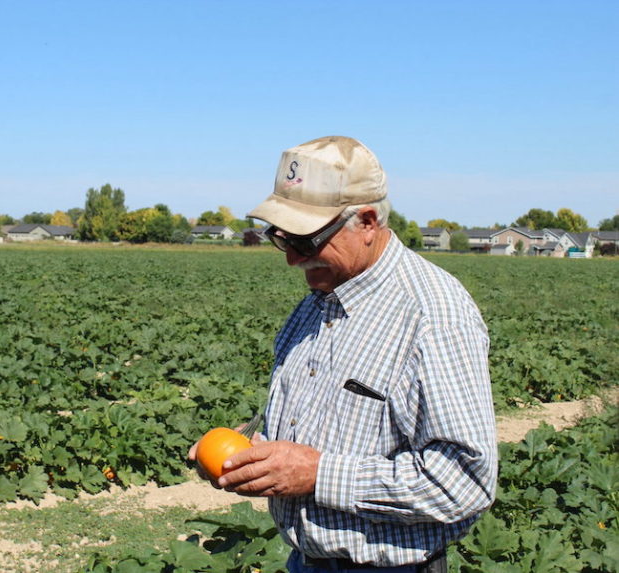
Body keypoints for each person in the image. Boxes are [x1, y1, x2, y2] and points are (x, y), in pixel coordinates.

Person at [189, 136, 497, 573]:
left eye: (307, 240)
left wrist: (318, 474)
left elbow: (464, 483)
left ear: (367, 222)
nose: (292, 259)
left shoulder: (433, 316)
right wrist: (251, 456)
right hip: (305, 560)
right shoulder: (319, 300)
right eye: (282, 238)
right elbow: (320, 429)